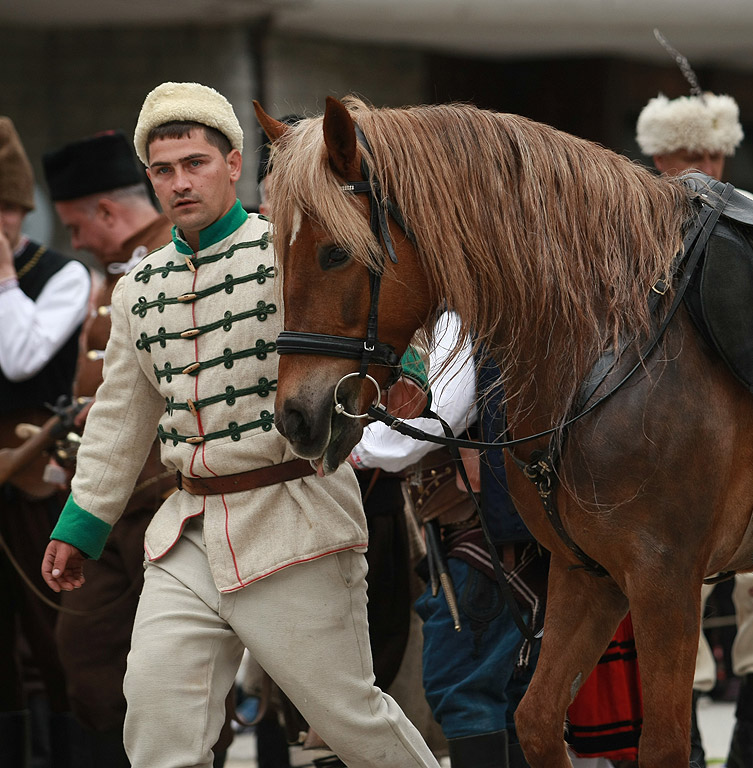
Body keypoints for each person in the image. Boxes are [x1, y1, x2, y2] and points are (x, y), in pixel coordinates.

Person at [39, 81, 439, 768]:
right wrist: (81, 524)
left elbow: (384, 319)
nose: (179, 182)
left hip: (294, 520)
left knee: (350, 722)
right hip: (187, 533)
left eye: (195, 162)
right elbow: (118, 420)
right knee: (157, 721)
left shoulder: (289, 247)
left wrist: (413, 370)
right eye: (162, 170)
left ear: (231, 164)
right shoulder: (139, 288)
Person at [565, 78, 753, 768]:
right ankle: (693, 735)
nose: (695, 169)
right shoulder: (619, 234)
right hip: (662, 451)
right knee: (668, 594)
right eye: (679, 156)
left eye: (708, 155)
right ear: (654, 159)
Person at [351, 312, 548, 768]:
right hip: (483, 537)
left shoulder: (461, 318)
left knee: (462, 683)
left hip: (486, 540)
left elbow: (432, 420)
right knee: (507, 692)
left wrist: (354, 447)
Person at [41, 128, 180, 766]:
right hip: (111, 504)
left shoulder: (177, 258)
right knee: (87, 652)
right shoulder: (112, 277)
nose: (73, 243)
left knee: (176, 669)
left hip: (166, 499)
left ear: (105, 212)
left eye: (75, 227)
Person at [0, 115, 92, 767]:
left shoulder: (62, 274)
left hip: (36, 477)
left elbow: (19, 358)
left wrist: (4, 278)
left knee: (53, 637)